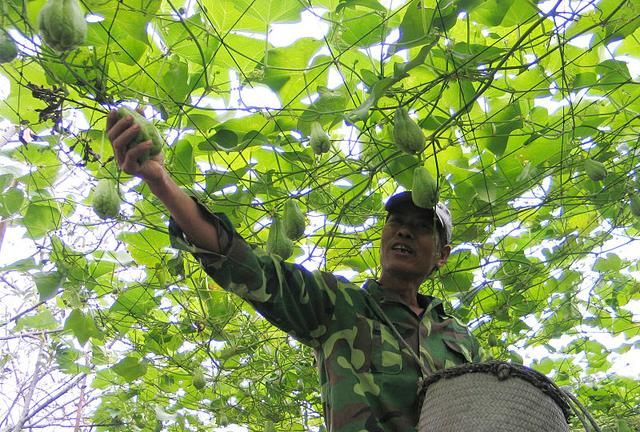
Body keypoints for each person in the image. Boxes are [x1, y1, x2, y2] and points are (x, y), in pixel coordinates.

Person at [107, 111, 481, 432]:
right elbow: (248, 269)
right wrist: (161, 183)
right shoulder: (338, 304)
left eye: (420, 226)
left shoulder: (462, 340)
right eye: (396, 222)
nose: (403, 231)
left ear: (443, 255)